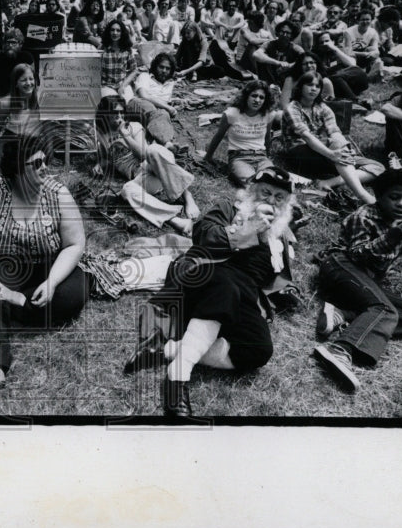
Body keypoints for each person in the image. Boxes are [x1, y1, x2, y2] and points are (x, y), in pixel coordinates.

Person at [126, 168, 296, 417]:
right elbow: (203, 236)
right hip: (201, 281)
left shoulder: (279, 237)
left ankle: (165, 351)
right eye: (266, 193)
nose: (271, 201)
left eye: (279, 198)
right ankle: (177, 377)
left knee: (258, 349)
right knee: (227, 284)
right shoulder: (229, 208)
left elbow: (271, 280)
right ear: (251, 191)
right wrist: (248, 228)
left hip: (237, 299)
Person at [0, 136, 88, 397]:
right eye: (37, 163)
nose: (46, 167)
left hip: (50, 265)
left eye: (46, 160)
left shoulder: (58, 193)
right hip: (9, 266)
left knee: (73, 295)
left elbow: (74, 244)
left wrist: (52, 281)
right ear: (17, 172)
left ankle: (17, 306)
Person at [312, 169, 402, 392]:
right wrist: (390, 237)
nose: (401, 204)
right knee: (385, 311)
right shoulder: (364, 216)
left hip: (365, 281)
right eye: (394, 197)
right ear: (379, 196)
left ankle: (344, 314)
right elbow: (356, 254)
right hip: (340, 267)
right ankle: (341, 349)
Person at [94, 96, 199, 235]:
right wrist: (99, 164)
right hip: (143, 178)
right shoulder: (103, 138)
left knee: (152, 150)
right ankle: (175, 220)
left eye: (121, 113)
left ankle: (187, 196)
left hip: (156, 164)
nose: (119, 117)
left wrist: (125, 136)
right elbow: (106, 158)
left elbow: (143, 155)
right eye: (114, 114)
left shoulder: (133, 127)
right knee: (127, 189)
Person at [281, 72, 384, 206]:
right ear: (300, 87)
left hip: (324, 151)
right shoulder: (292, 108)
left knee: (378, 167)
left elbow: (334, 132)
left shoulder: (323, 107)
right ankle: (362, 194)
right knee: (337, 147)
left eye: (317, 86)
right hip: (299, 153)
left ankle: (330, 182)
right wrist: (332, 154)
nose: (314, 89)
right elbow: (306, 136)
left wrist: (345, 150)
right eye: (309, 85)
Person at [204, 79, 279, 187]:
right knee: (252, 184)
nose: (257, 100)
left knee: (273, 181)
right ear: (246, 96)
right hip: (239, 158)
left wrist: (268, 158)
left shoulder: (268, 115)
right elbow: (218, 136)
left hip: (261, 157)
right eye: (254, 96)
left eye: (261, 97)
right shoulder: (231, 114)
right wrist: (208, 157)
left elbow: (267, 138)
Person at [127, 52, 180, 148]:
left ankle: (164, 144)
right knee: (159, 111)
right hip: (138, 105)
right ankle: (167, 142)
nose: (164, 71)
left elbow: (165, 103)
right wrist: (168, 107)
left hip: (155, 113)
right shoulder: (145, 76)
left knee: (163, 114)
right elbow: (144, 95)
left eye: (168, 69)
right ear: (155, 66)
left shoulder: (170, 84)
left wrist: (169, 107)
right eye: (161, 67)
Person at [0, 63, 43, 144]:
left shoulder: (41, 100)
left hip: (33, 143)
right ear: (16, 83)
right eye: (23, 80)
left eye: (31, 79)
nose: (29, 83)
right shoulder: (7, 103)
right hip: (12, 142)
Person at [99, 19, 137, 97]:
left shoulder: (127, 50)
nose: (115, 33)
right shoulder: (102, 48)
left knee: (129, 103)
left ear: (122, 33)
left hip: (122, 85)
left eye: (118, 30)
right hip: (106, 86)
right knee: (115, 104)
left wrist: (123, 85)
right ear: (108, 32)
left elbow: (134, 70)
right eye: (112, 30)